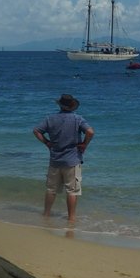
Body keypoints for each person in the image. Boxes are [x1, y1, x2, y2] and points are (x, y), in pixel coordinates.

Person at [33, 94, 94, 223]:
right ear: (72, 106)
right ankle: (71, 219)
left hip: (55, 159)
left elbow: (36, 131)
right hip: (72, 160)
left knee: (51, 189)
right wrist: (84, 144)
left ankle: (46, 214)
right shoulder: (78, 119)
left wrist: (47, 143)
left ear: (60, 105)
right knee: (72, 191)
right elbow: (90, 132)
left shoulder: (50, 119)